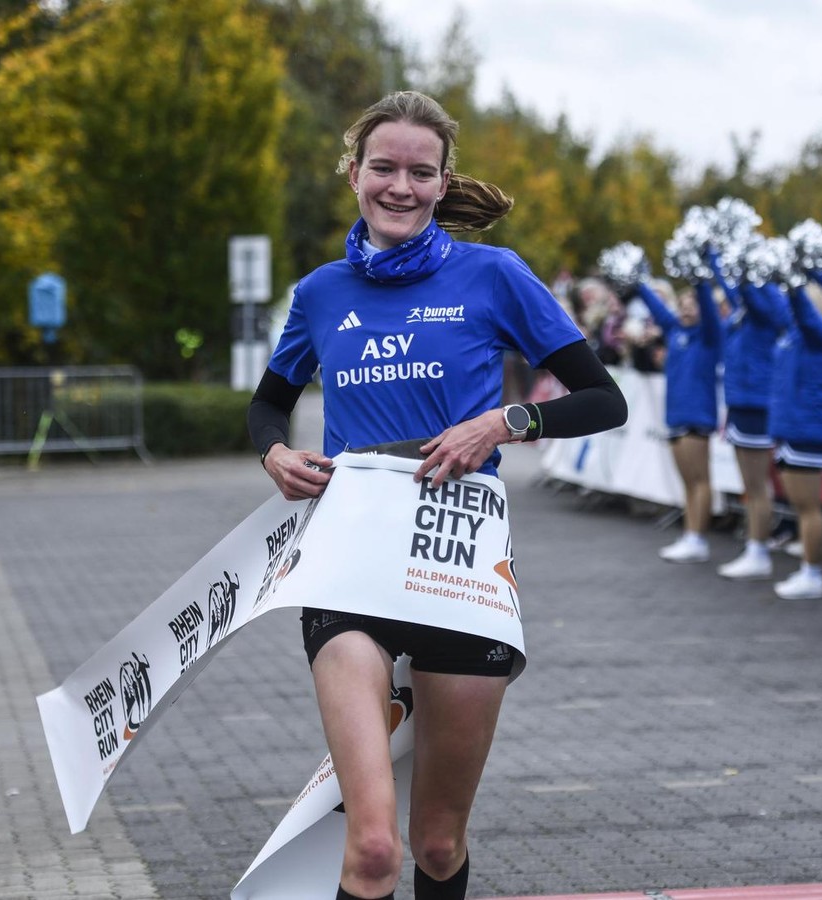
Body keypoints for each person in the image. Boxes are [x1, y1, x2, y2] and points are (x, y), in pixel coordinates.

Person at [246, 91, 626, 900]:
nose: (400, 186)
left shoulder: (493, 275)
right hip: (350, 567)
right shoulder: (320, 292)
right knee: (375, 847)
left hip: (459, 566)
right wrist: (275, 453)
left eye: (421, 172)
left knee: (439, 844)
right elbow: (267, 402)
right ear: (353, 173)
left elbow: (604, 400)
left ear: (443, 181)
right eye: (383, 167)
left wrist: (505, 421)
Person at [712, 250, 788, 581]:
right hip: (740, 401)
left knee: (757, 486)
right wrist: (713, 255)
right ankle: (754, 545)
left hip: (758, 402)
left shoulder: (767, 308)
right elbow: (731, 289)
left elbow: (747, 294)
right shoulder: (744, 310)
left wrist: (746, 267)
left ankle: (760, 549)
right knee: (749, 484)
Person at [767, 279, 822, 600]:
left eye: (798, 301)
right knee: (799, 507)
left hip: (807, 428)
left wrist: (794, 285)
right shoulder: (793, 334)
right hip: (789, 427)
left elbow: (805, 315)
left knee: (809, 508)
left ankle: (812, 573)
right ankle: (806, 569)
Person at [639, 277, 724, 564]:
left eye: (693, 306)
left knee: (700, 481)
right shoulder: (674, 330)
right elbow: (657, 307)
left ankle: (698, 538)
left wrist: (700, 282)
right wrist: (638, 282)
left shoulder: (709, 335)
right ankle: (690, 535)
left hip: (697, 417)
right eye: (683, 305)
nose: (687, 310)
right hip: (675, 416)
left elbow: (711, 313)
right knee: (688, 482)